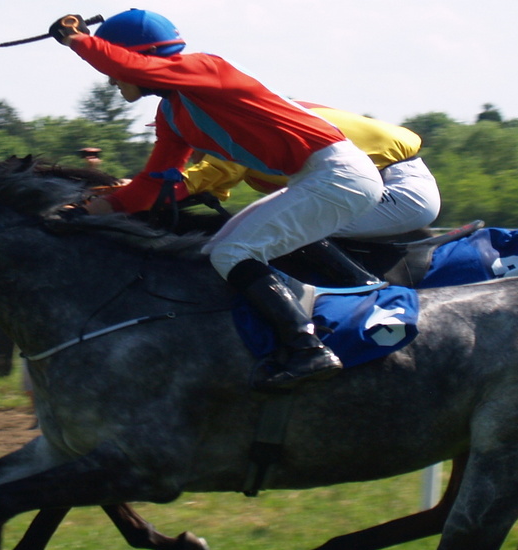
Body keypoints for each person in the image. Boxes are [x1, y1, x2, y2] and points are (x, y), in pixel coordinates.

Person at [52, 9, 384, 389]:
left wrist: (77, 39)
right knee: (219, 250)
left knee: (233, 254)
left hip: (339, 174)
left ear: (136, 56)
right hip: (316, 177)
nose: (111, 80)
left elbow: (137, 68)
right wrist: (98, 209)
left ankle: (308, 349)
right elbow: (156, 185)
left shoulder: (206, 68)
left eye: (112, 68)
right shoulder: (172, 115)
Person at [178, 101, 441, 241]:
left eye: (184, 136)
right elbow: (215, 183)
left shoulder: (240, 131)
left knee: (275, 229)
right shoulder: (258, 113)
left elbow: (205, 177)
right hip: (392, 182)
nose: (187, 150)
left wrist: (142, 193)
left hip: (399, 189)